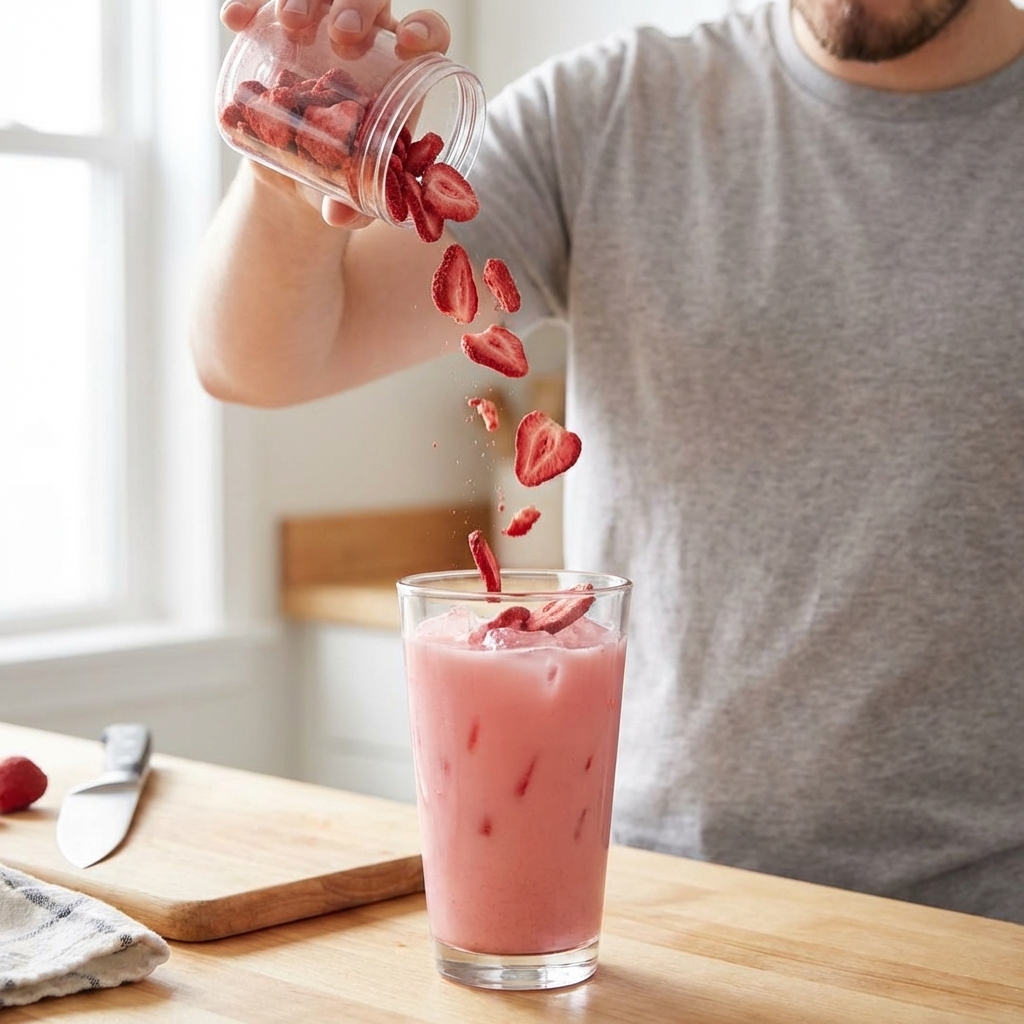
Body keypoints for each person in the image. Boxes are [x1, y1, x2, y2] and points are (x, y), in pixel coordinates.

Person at [192, 0, 1024, 924]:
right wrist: (291, 175)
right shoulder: (609, 109)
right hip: (645, 891)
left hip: (992, 919)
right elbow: (256, 361)